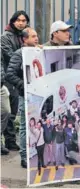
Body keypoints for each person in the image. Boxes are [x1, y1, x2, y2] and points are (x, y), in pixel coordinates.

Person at [5, 27, 39, 168]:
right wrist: (24, 85)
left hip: (37, 93)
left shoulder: (37, 52)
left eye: (36, 35)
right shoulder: (19, 54)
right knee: (26, 127)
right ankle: (25, 157)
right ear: (24, 39)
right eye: (32, 36)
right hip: (25, 95)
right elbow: (10, 74)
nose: (36, 38)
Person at [1, 10, 29, 152]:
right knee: (9, 110)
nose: (21, 23)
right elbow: (10, 56)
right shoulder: (6, 37)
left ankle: (10, 140)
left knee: (15, 108)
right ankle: (9, 141)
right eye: (18, 20)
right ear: (13, 21)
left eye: (24, 21)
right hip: (9, 76)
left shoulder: (25, 36)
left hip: (20, 76)